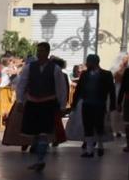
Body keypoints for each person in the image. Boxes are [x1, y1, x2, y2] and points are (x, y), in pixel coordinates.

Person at [16, 41, 69, 172]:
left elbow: (61, 88)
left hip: (48, 103)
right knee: (34, 132)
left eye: (42, 51)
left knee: (44, 133)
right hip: (33, 102)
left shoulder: (55, 69)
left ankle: (40, 160)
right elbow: (21, 84)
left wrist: (62, 105)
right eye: (38, 51)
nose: (39, 54)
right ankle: (38, 158)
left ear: (47, 52)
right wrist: (20, 101)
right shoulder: (29, 67)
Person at [71, 53, 118, 158]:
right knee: (87, 126)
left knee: (99, 126)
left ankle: (100, 146)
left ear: (94, 62)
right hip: (86, 103)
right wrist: (74, 104)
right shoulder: (84, 74)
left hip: (100, 104)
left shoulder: (106, 74)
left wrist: (113, 105)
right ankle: (89, 150)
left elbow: (112, 90)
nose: (86, 64)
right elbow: (78, 90)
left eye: (88, 61)